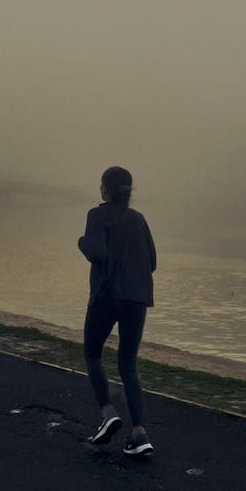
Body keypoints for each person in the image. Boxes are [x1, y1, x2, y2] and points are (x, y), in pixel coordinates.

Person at [78, 166, 157, 456]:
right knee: (128, 365)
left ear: (104, 189)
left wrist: (81, 242)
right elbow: (151, 263)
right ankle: (139, 433)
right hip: (137, 299)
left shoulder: (96, 215)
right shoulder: (139, 219)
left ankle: (107, 412)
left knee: (92, 353)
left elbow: (97, 252)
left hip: (107, 296)